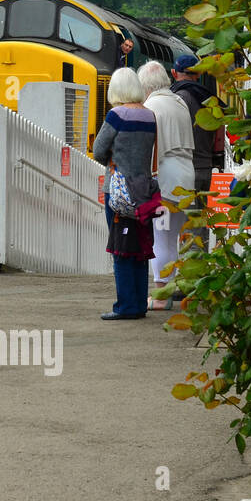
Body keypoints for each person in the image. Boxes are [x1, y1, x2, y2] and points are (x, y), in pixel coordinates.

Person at [92, 67, 158, 320]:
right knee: (140, 247)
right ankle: (140, 303)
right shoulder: (150, 116)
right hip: (143, 190)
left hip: (118, 190)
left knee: (121, 247)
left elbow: (98, 150)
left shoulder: (116, 115)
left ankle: (125, 306)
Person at [139, 60, 194, 309]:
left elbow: (151, 147)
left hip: (165, 179)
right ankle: (173, 287)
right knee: (174, 238)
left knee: (160, 238)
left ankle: (161, 296)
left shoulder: (151, 106)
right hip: (186, 174)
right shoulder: (179, 101)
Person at [170, 55, 222, 197]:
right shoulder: (209, 98)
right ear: (199, 74)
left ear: (174, 73)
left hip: (185, 169)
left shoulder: (177, 98)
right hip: (206, 167)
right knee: (200, 216)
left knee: (186, 218)